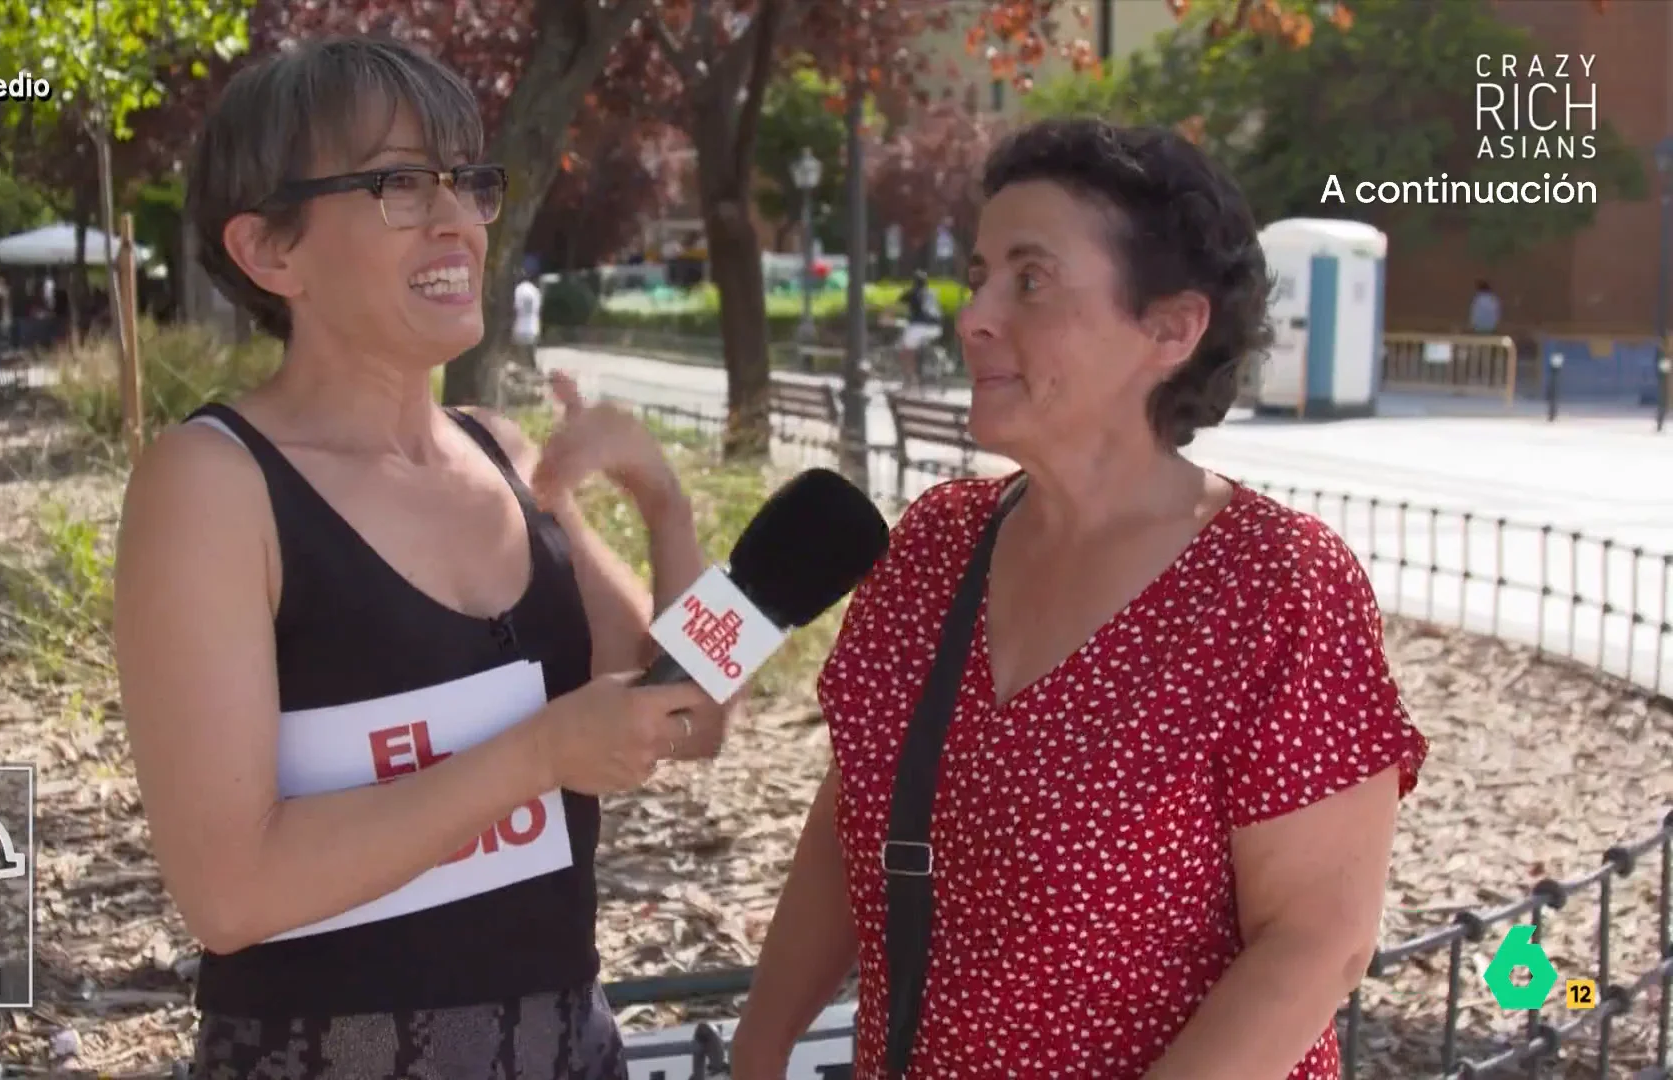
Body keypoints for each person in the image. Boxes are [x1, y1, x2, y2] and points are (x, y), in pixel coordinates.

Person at [730, 118, 1428, 1080]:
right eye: (978, 276)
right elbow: (857, 815)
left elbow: (1317, 939)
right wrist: (758, 1052)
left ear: (1172, 329)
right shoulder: (936, 545)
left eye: (1031, 279)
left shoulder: (1273, 583)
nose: (974, 315)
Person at [112, 35, 730, 1078]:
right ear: (272, 252)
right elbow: (227, 893)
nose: (458, 220)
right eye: (399, 183)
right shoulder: (211, 484)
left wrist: (666, 509)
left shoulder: (502, 454)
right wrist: (537, 757)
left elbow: (692, 718)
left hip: (567, 1044)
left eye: (467, 180)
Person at [895, 270, 942, 391]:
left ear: (914, 282)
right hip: (936, 328)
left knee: (906, 349)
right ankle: (925, 367)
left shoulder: (912, 293)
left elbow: (895, 306)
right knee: (917, 346)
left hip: (919, 327)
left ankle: (910, 379)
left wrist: (884, 316)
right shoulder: (932, 293)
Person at [514, 271, 543, 369]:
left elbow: (516, 308)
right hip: (533, 328)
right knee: (531, 355)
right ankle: (533, 371)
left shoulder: (519, 290)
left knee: (521, 358)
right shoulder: (535, 290)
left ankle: (524, 374)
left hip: (520, 328)